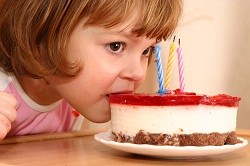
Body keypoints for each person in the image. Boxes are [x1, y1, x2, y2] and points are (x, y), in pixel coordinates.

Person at [0, 0, 182, 140]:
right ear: (42, 37)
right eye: (116, 46)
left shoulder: (73, 98)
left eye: (146, 51)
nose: (138, 73)